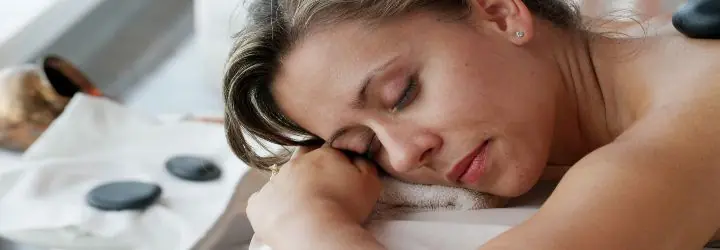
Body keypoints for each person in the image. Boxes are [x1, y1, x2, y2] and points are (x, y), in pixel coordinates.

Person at [223, 0, 720, 249]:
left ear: (500, 13)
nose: (401, 156)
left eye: (403, 94)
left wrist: (305, 222)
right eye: (364, 146)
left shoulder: (701, 107)